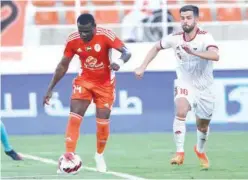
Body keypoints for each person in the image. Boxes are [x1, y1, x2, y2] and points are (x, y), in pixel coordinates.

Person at [43, 13, 131, 173]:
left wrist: (118, 62)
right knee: (74, 115)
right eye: (80, 30)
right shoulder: (72, 40)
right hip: (84, 80)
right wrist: (50, 89)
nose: (83, 34)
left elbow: (127, 52)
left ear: (94, 28)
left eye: (87, 31)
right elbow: (63, 65)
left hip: (105, 84)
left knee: (102, 122)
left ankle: (99, 155)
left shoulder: (105, 35)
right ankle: (69, 155)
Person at [134, 5, 219, 170]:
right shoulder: (175, 37)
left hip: (204, 87)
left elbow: (215, 55)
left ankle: (200, 151)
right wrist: (143, 66)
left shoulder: (205, 37)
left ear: (196, 19)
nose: (185, 21)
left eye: (188, 18)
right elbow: (156, 47)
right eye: (182, 18)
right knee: (181, 109)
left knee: (203, 125)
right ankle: (179, 152)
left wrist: (194, 53)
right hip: (184, 83)